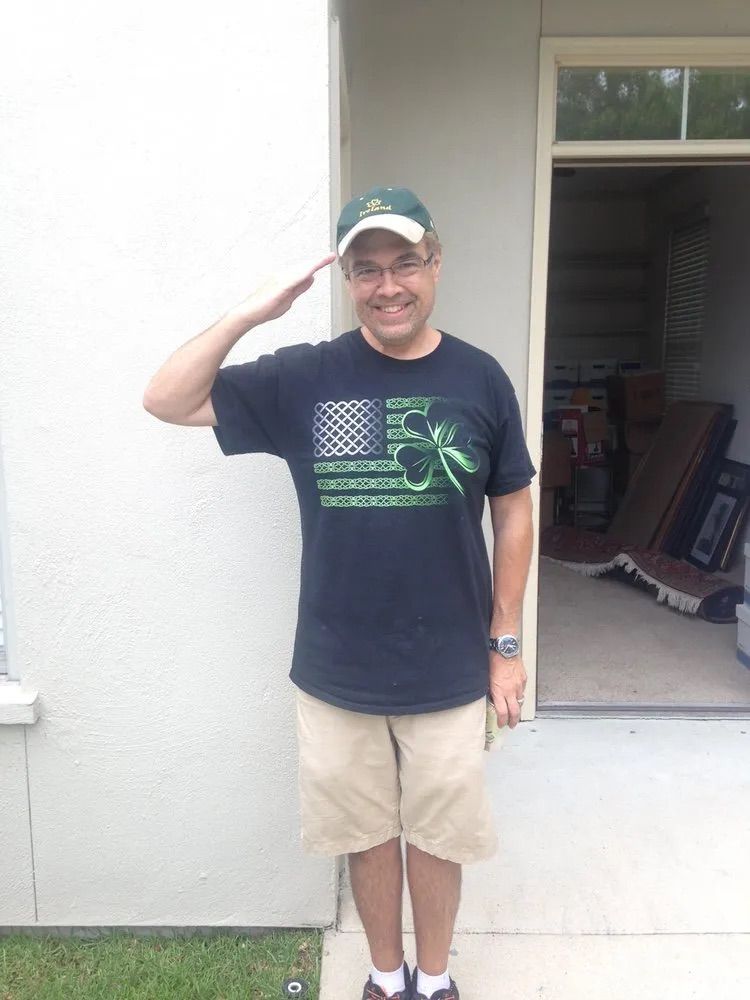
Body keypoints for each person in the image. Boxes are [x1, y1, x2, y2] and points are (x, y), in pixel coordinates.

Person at [143, 186, 535, 1000]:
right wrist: (250, 312)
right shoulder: (306, 378)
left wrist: (505, 647)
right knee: (365, 835)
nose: (388, 285)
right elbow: (166, 398)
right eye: (367, 270)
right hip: (334, 665)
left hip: (448, 665)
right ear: (347, 281)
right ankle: (385, 980)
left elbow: (514, 510)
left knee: (437, 837)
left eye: (405, 264)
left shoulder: (480, 378)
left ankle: (435, 980)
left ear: (435, 264)